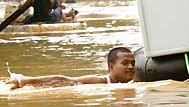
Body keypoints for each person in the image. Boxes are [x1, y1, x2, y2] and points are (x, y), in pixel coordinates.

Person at [5, 47, 135, 89]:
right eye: (125, 63)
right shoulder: (100, 81)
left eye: (133, 63)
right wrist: (25, 81)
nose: (130, 67)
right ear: (111, 67)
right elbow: (64, 80)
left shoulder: (137, 80)